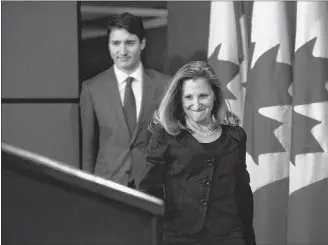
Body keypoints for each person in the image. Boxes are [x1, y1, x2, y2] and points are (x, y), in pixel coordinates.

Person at [139, 61, 256, 245]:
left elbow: (242, 193)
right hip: (178, 236)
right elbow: (149, 190)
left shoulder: (235, 136)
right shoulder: (166, 135)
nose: (196, 104)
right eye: (189, 97)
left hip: (229, 235)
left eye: (203, 96)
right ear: (180, 99)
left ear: (215, 96)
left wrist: (248, 238)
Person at [79, 12, 170, 189]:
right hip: (107, 186)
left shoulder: (165, 85)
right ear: (108, 45)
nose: (122, 51)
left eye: (129, 43)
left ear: (142, 43)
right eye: (116, 43)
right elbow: (88, 150)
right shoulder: (92, 88)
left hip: (154, 186)